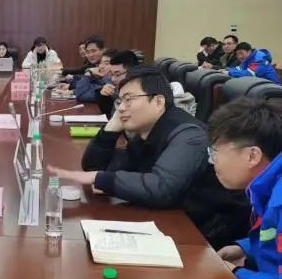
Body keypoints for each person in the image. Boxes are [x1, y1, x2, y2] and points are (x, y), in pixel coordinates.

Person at [48, 66, 251, 249]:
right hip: (177, 219)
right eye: (120, 101)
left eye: (129, 99)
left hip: (210, 237)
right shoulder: (148, 132)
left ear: (158, 101)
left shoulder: (189, 135)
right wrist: (110, 129)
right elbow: (95, 166)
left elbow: (161, 188)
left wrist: (100, 179)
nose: (121, 107)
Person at [209, 98, 282, 279]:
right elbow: (273, 236)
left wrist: (238, 273)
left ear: (252, 156)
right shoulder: (267, 186)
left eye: (215, 152)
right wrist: (244, 248)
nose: (213, 162)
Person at [97, 50, 140, 117]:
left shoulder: (140, 95)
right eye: (111, 74)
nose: (113, 79)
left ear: (132, 72)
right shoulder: (118, 89)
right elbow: (108, 114)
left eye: (117, 74)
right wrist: (104, 97)